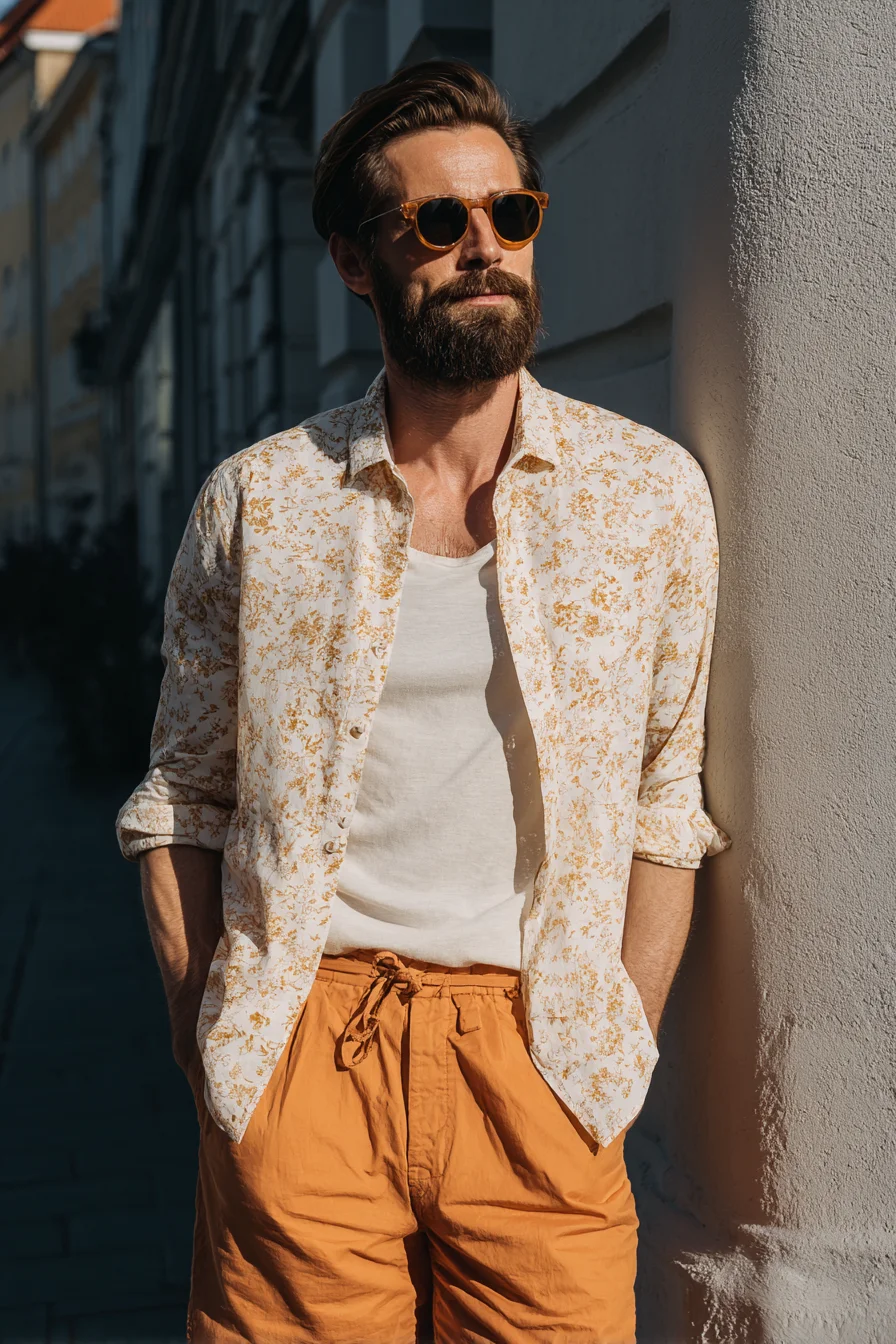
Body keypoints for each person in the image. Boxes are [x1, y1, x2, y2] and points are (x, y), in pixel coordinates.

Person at [116, 58, 730, 1344]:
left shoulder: (646, 498)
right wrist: (209, 1035)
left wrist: (613, 1041)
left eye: (511, 215)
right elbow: (181, 792)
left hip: (539, 1064)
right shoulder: (260, 503)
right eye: (437, 224)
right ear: (355, 260)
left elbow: (664, 801)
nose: (484, 249)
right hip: (307, 1050)